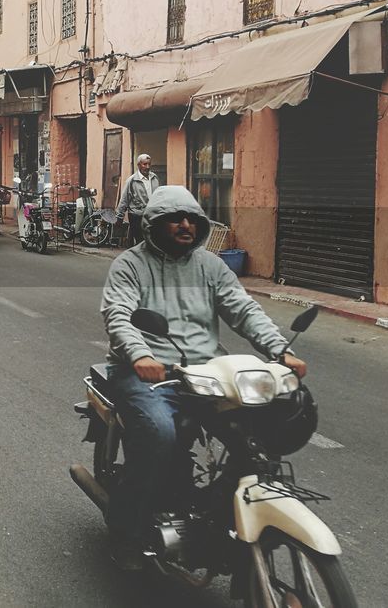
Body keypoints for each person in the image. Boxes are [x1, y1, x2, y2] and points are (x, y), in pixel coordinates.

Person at [100, 186, 307, 569]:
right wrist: (141, 353)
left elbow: (242, 309)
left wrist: (280, 350)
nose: (185, 225)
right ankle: (126, 530)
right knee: (160, 434)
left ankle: (216, 513)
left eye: (192, 219)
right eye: (175, 219)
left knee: (261, 433)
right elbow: (119, 315)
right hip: (146, 374)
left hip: (206, 373)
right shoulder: (130, 264)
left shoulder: (210, 266)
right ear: (154, 225)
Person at [116, 154, 160, 246]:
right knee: (140, 242)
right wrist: (119, 217)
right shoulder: (132, 180)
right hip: (137, 216)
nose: (147, 167)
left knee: (152, 241)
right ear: (139, 165)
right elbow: (124, 199)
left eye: (149, 164)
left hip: (151, 215)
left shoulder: (154, 178)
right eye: (144, 164)